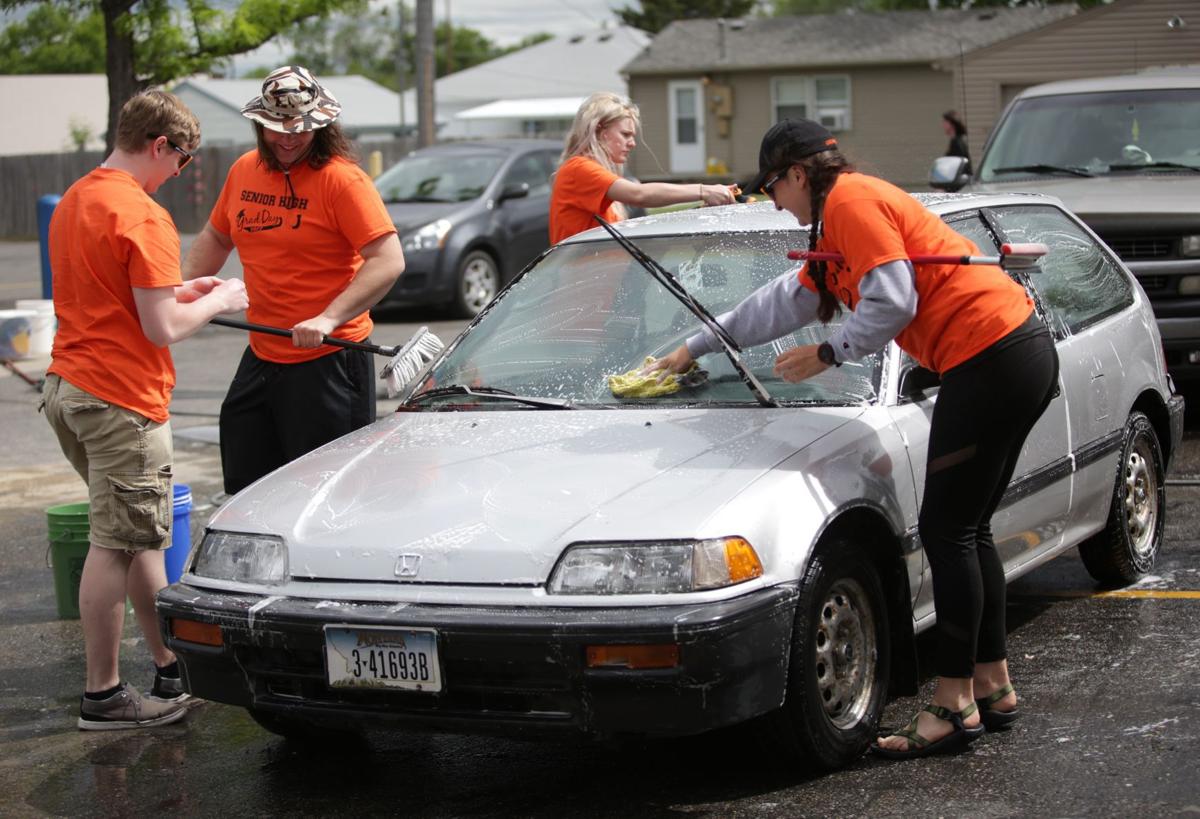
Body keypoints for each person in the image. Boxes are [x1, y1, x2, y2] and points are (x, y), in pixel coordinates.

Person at [648, 119, 1059, 760]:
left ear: (799, 174)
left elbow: (891, 300)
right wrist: (696, 345)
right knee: (967, 528)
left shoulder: (853, 202)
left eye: (775, 189)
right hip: (1008, 353)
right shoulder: (833, 220)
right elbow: (784, 301)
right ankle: (991, 685)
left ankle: (953, 705)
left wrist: (827, 352)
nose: (776, 204)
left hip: (991, 355)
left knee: (948, 531)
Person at [42, 90, 250, 730]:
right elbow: (162, 329)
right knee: (115, 544)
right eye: (182, 159)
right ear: (160, 146)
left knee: (139, 540)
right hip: (121, 399)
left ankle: (167, 665)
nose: (182, 172)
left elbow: (120, 297)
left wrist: (182, 288)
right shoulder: (143, 214)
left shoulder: (78, 197)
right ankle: (102, 696)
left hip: (69, 388)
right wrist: (220, 300)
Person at [183, 65, 406, 496]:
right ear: (259, 124)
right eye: (275, 128)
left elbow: (388, 260)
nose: (287, 138)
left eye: (300, 129)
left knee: (328, 496)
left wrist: (327, 318)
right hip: (264, 354)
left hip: (329, 360)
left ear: (321, 125)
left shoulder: (342, 180)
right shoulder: (245, 170)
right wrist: (176, 292)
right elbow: (216, 235)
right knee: (249, 485)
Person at [549, 92, 739, 244]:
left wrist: (698, 209)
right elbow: (640, 195)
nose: (632, 143)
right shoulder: (579, 168)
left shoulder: (590, 174)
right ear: (599, 130)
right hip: (585, 286)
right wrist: (703, 190)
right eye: (625, 134)